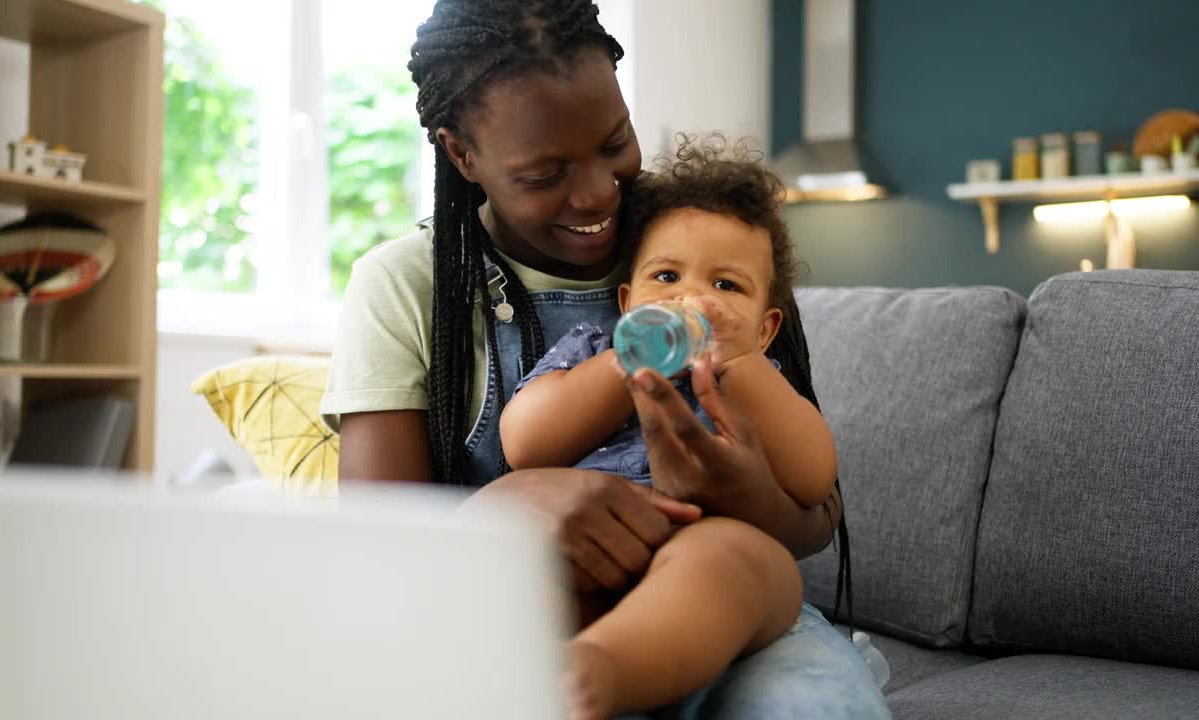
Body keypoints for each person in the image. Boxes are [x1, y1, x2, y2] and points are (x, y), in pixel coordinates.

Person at [320, 2, 889, 718]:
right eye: (543, 173)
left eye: (615, 140)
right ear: (462, 154)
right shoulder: (408, 284)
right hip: (534, 595)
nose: (596, 194)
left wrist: (747, 496)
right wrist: (506, 505)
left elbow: (815, 508)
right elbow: (379, 547)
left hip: (718, 592)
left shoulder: (694, 233)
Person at [500, 137, 837, 718]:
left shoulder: (759, 377)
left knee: (746, 561)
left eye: (726, 286)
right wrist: (625, 359)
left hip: (706, 550)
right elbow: (525, 441)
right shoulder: (592, 350)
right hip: (596, 543)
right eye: (667, 276)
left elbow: (812, 477)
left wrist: (744, 366)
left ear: (765, 327)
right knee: (519, 569)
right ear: (628, 301)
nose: (692, 299)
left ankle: (600, 671)